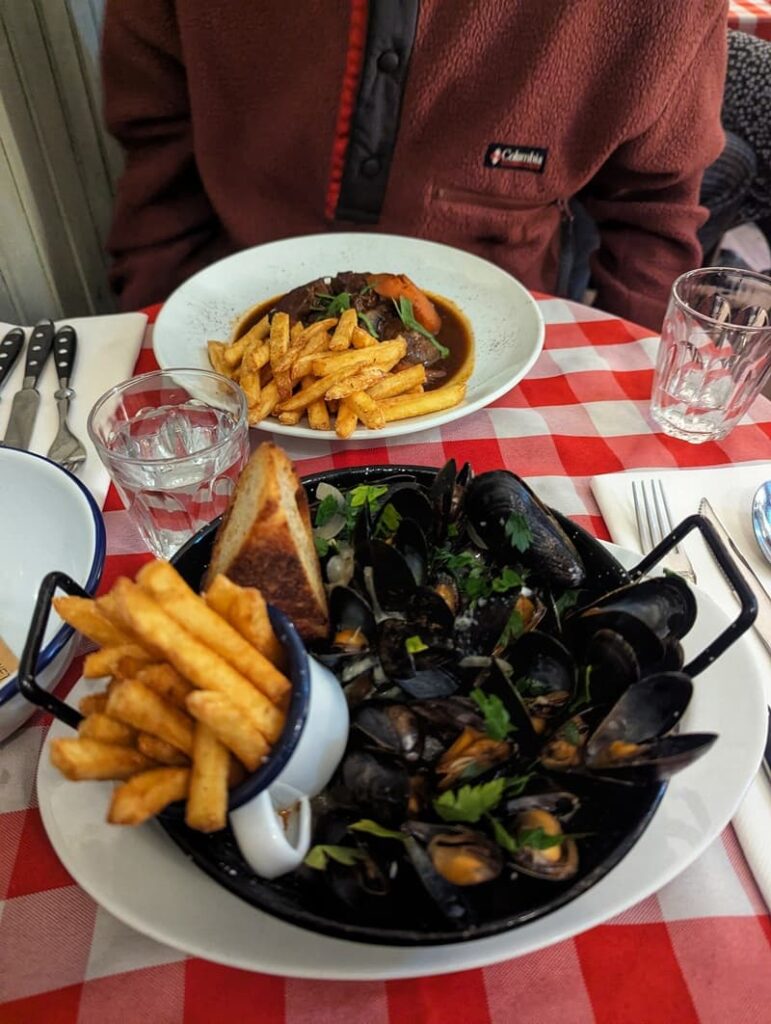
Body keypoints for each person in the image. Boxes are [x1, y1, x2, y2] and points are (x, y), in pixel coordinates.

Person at [102, 1, 728, 330]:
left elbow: (654, 211)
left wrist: (626, 395)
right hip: (227, 306)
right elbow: (159, 149)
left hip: (513, 330)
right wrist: (165, 335)